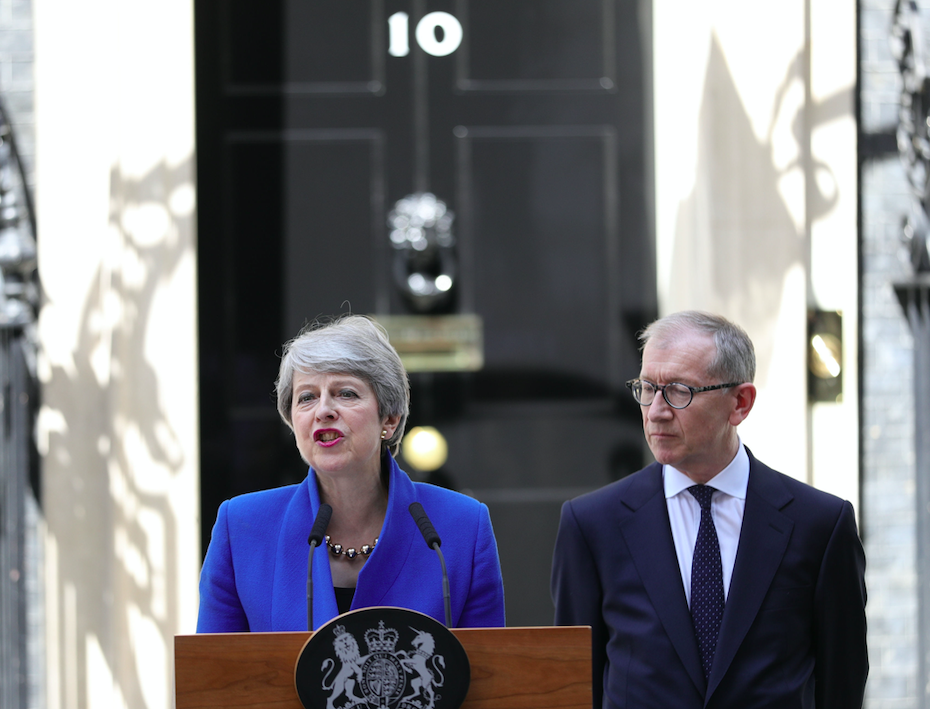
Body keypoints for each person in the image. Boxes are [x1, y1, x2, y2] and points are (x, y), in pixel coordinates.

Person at [551, 310, 867, 708]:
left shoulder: (821, 525)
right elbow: (574, 687)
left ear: (740, 403)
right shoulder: (591, 525)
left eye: (680, 391)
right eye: (648, 388)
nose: (657, 410)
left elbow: (843, 684)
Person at [197, 315, 505, 632]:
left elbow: (489, 674)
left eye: (346, 393)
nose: (323, 410)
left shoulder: (463, 527)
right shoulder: (242, 527)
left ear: (389, 419)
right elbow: (215, 675)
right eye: (306, 397)